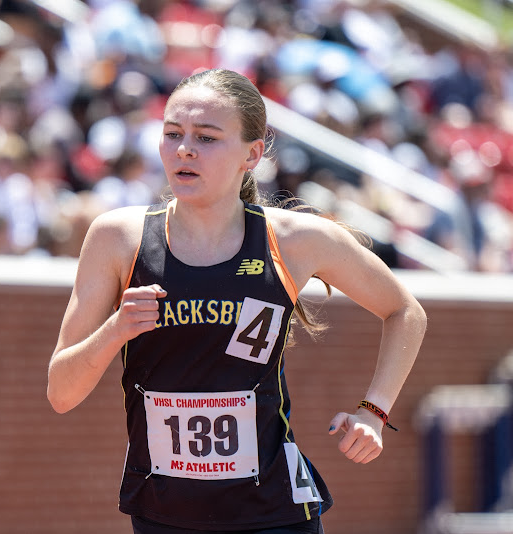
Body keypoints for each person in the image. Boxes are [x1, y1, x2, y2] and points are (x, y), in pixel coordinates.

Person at [47, 68, 427, 533]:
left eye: (206, 138)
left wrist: (374, 410)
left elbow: (405, 310)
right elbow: (61, 393)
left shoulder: (292, 239)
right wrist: (115, 330)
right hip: (164, 512)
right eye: (172, 134)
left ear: (253, 153)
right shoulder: (118, 238)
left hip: (274, 513)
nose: (184, 149)